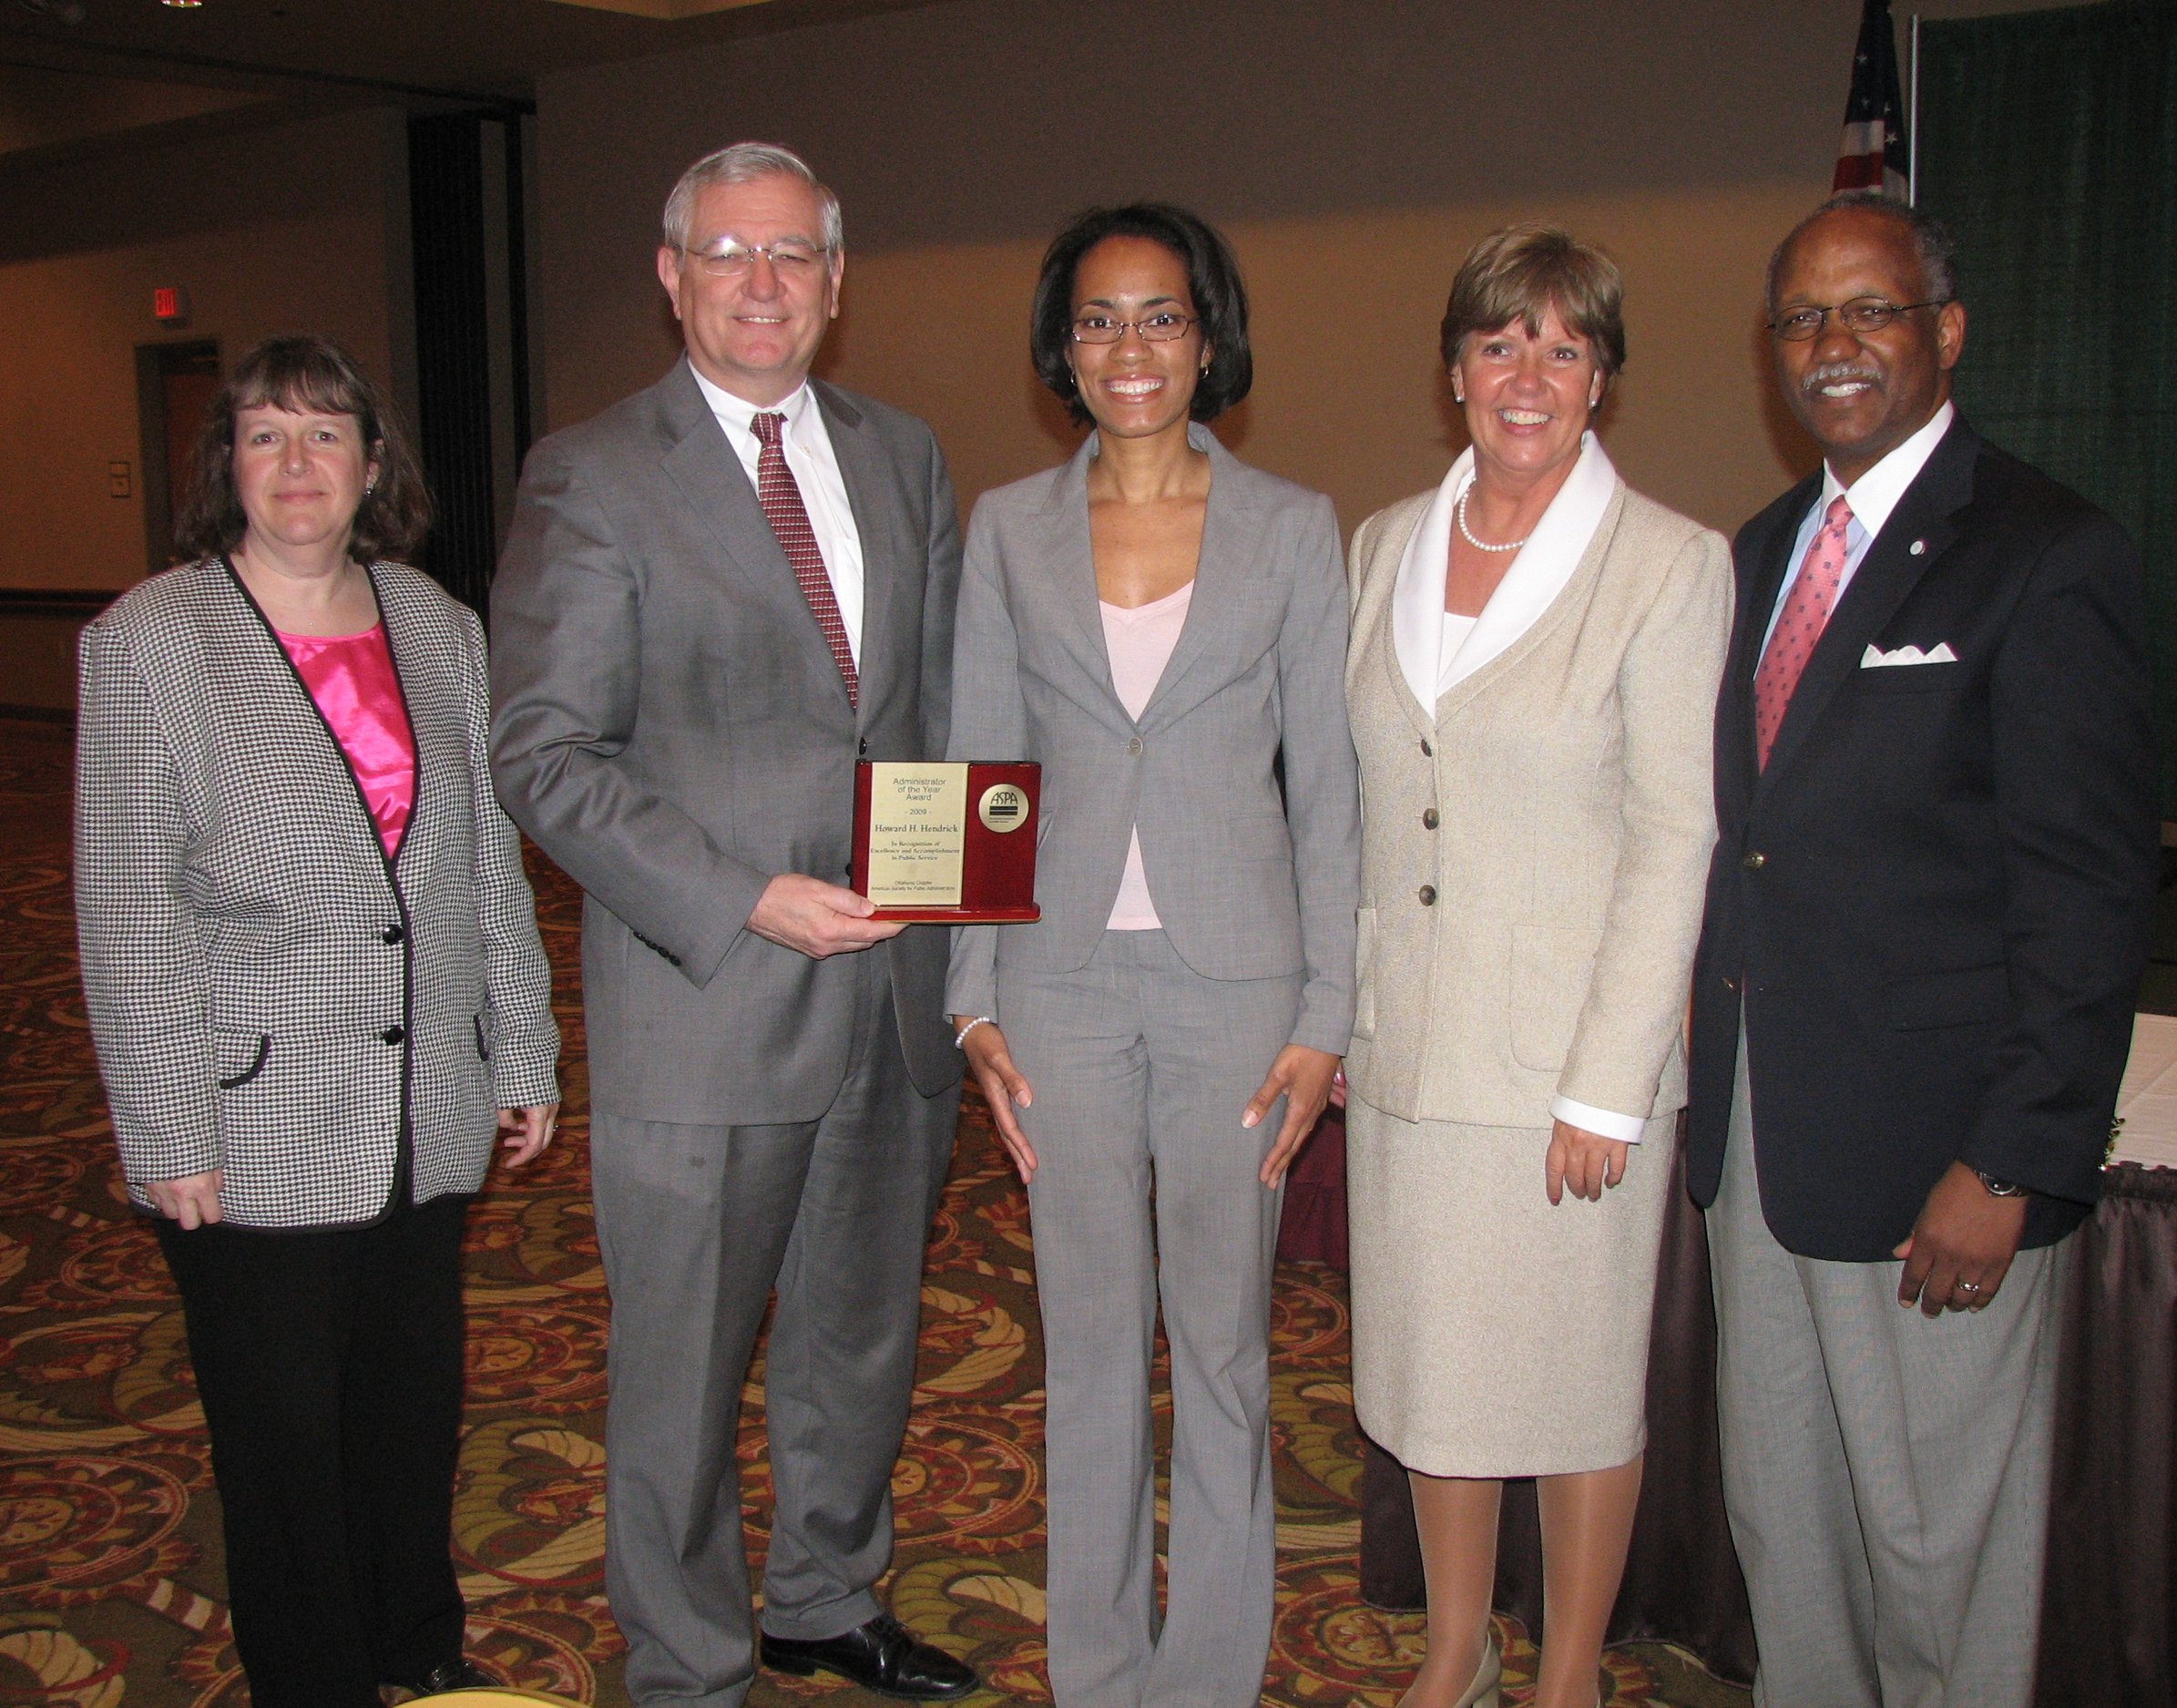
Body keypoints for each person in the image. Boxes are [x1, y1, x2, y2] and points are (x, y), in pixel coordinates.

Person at [487, 143, 975, 1707]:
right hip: (704, 997)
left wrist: (967, 933)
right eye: (727, 255)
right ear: (671, 275)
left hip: (887, 1000)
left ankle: (828, 1597)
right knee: (683, 1380)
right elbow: (542, 751)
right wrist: (738, 893)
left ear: (837, 283)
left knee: (859, 1343)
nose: (761, 285)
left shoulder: (904, 456)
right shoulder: (592, 468)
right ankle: (689, 1669)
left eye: (792, 257)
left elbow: (935, 721)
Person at [1688, 191, 2158, 1708]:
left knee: (1936, 1549)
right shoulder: (1758, 552)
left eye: (1869, 310)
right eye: (1803, 320)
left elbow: (2086, 899)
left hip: (1934, 1160)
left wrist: (2016, 1160)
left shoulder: (2045, 552)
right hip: (1761, 1137)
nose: (1832, 345)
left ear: (1945, 332)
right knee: (1790, 1521)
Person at [73, 333, 560, 1707]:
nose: (298, 463)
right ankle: (313, 1680)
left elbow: (481, 861)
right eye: (265, 434)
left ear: (372, 463)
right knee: (284, 1442)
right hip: (249, 1112)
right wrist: (167, 1124)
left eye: (327, 433)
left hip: (424, 1106)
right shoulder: (150, 642)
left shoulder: (435, 625)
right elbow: (126, 911)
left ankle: (419, 1652)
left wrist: (519, 1043)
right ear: (224, 464)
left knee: (409, 1418)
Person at [947, 202, 1359, 1708]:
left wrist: (1330, 1014)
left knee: (1230, 1348)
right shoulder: (1007, 526)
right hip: (1053, 986)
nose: (1133, 347)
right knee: (1089, 1347)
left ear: (1210, 337)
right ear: (1065, 343)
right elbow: (982, 757)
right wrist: (969, 999)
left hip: (1238, 989)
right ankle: (1101, 1673)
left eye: (1162, 317)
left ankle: (1208, 1678)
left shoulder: (1293, 527)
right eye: (1102, 319)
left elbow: (1330, 783)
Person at [1342, 227, 1731, 1708]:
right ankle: (1456, 1653)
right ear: (1455, 371)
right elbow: (1361, 807)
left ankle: (1565, 1673)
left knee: (1570, 1391)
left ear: (1603, 386)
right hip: (1408, 1049)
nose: (1529, 374)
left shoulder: (1670, 567)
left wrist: (1611, 1085)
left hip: (1568, 1072)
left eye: (1566, 349)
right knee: (1438, 1381)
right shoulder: (1382, 546)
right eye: (1502, 341)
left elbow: (1674, 833)